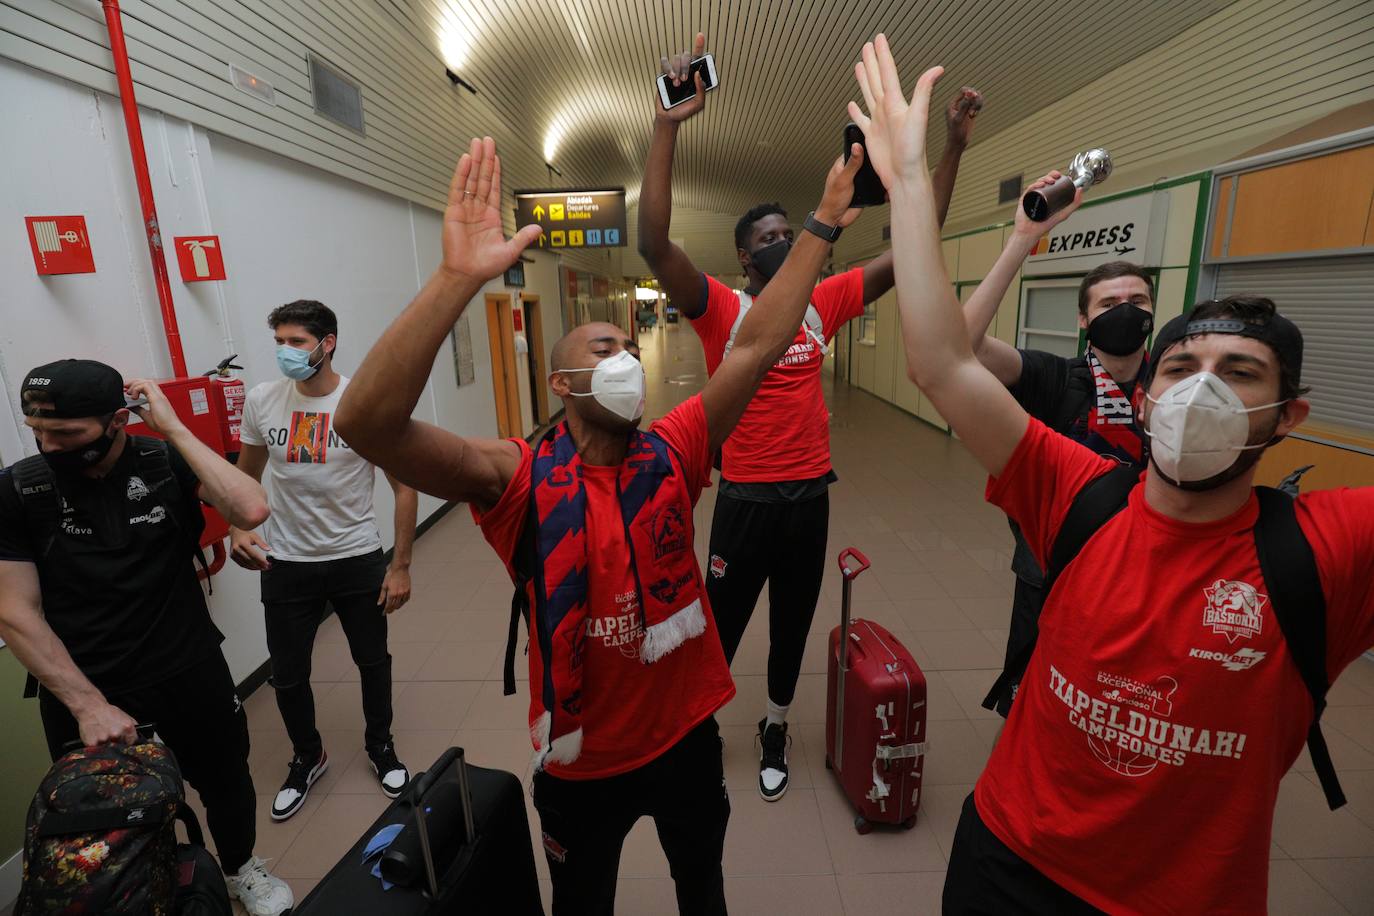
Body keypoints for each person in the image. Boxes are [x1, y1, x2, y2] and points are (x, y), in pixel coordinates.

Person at [849, 34, 1374, 913]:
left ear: (1287, 418)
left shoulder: (1323, 552)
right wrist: (911, 182)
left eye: (1239, 374)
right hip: (1006, 861)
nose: (1201, 390)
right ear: (1149, 388)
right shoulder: (1077, 490)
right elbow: (942, 358)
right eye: (1182, 369)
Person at [333, 131, 862, 914]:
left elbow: (754, 348)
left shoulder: (675, 448)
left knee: (702, 890)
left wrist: (818, 225)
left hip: (686, 741)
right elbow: (370, 425)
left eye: (626, 345)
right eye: (601, 347)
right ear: (561, 381)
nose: (622, 358)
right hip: (582, 764)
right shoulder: (512, 477)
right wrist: (455, 278)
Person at [637, 32, 982, 800]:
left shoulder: (826, 300)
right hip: (745, 502)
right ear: (743, 263)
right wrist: (667, 124)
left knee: (792, 629)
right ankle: (696, 732)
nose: (779, 243)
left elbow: (912, 246)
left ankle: (774, 724)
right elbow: (653, 241)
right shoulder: (723, 309)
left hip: (808, 499)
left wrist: (947, 152)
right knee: (718, 633)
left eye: (784, 233)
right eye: (763, 242)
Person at [0, 361, 294, 916]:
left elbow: (251, 507)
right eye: (37, 430)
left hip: (188, 664)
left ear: (118, 420)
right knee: (105, 809)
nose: (48, 444)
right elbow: (16, 612)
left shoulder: (163, 460)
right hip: (86, 687)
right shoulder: (19, 490)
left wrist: (175, 429)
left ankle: (240, 869)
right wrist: (88, 706)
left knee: (227, 779)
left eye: (66, 433)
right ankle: (141, 890)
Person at [958, 190, 1158, 714]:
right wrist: (1023, 239)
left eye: (1137, 302)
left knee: (1115, 691)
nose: (1125, 311)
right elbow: (966, 344)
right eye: (1109, 304)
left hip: (1140, 565)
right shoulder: (1054, 378)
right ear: (1083, 322)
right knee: (1032, 688)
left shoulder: (1172, 384)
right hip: (1050, 563)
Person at [229, 300, 419, 821]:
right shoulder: (263, 401)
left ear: (326, 343)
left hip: (357, 556)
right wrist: (238, 525)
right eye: (279, 342)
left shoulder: (363, 401)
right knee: (287, 675)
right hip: (287, 560)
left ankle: (381, 746)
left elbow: (405, 488)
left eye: (295, 342)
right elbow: (245, 479)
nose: (284, 352)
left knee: (372, 662)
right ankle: (307, 756)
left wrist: (399, 565)